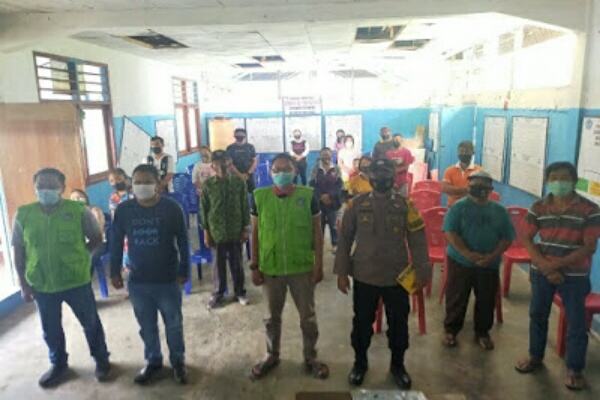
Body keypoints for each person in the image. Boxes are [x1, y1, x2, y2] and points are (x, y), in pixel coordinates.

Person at [334, 158, 431, 389]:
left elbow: (418, 240)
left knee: (399, 326)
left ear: (393, 176)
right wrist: (341, 272)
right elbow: (345, 239)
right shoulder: (356, 205)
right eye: (376, 173)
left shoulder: (406, 205)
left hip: (397, 277)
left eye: (386, 172)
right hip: (364, 275)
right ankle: (360, 364)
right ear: (370, 176)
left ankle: (398, 366)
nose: (381, 177)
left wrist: (422, 271)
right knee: (361, 324)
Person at [12, 168, 111, 388]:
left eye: (51, 186)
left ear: (62, 188)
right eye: (41, 186)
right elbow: (18, 250)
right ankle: (58, 365)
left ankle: (102, 360)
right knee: (51, 329)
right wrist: (23, 283)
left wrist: (82, 255)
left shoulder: (79, 211)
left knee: (90, 323)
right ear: (35, 188)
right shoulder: (23, 215)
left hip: (75, 281)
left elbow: (96, 237)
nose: (46, 190)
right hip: (41, 284)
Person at [515, 162, 600, 391]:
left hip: (575, 275)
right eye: (554, 178)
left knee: (576, 322)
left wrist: (555, 266)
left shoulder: (590, 209)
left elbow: (589, 246)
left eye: (564, 177)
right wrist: (544, 266)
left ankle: (574, 369)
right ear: (547, 181)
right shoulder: (538, 207)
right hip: (542, 271)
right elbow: (526, 238)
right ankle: (535, 357)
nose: (559, 182)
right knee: (537, 315)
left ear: (574, 181)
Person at [249, 153, 329, 380]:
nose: (281, 173)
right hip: (271, 269)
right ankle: (271, 355)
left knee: (308, 318)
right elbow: (254, 233)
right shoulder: (259, 197)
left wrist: (319, 264)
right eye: (277, 169)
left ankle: (311, 357)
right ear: (270, 172)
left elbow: (317, 233)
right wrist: (254, 265)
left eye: (286, 169)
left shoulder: (308, 196)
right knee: (271, 318)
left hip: (301, 268)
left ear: (294, 171)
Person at [110, 164, 191, 385]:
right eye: (137, 182)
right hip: (138, 280)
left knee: (174, 325)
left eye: (147, 182)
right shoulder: (124, 210)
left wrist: (184, 269)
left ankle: (178, 362)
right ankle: (153, 361)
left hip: (168, 279)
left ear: (157, 184)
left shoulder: (171, 208)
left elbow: (183, 240)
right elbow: (116, 241)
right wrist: (114, 271)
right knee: (146, 326)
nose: (141, 186)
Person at [441, 170, 515, 350]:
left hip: (489, 263)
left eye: (483, 185)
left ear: (490, 189)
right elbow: (450, 233)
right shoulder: (458, 208)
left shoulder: (499, 211)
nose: (479, 188)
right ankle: (451, 330)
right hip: (460, 261)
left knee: (486, 299)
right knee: (457, 297)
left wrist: (492, 256)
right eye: (474, 185)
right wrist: (467, 254)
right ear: (468, 186)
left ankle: (482, 332)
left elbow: (507, 238)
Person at [201, 150, 250, 309]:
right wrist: (206, 232)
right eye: (217, 164)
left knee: (237, 263)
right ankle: (218, 294)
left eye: (224, 164)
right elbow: (204, 210)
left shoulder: (239, 183)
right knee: (218, 264)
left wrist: (245, 228)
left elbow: (245, 207)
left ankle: (240, 292)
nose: (221, 168)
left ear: (229, 163)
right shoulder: (208, 185)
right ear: (212, 166)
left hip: (235, 229)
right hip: (216, 231)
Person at [309, 147, 343, 253]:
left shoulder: (336, 169)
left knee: (334, 225)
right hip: (319, 202)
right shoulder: (315, 169)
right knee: (320, 225)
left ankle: (335, 244)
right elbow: (312, 185)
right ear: (320, 156)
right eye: (323, 155)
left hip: (333, 202)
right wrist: (321, 196)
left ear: (331, 155)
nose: (326, 157)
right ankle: (319, 244)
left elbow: (339, 185)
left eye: (328, 154)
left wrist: (330, 196)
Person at [108, 168, 135, 298]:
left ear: (125, 177)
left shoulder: (133, 193)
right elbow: (114, 216)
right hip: (123, 234)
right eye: (112, 181)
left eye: (118, 179)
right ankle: (130, 288)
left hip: (135, 229)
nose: (115, 183)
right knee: (127, 261)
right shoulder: (113, 198)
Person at [69, 189, 107, 279]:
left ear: (85, 198)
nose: (76, 200)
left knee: (89, 257)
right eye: (73, 199)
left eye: (79, 197)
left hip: (98, 243)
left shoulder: (94, 210)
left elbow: (99, 231)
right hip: (81, 244)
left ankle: (86, 278)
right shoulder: (71, 215)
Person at [442, 141, 482, 206]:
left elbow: (478, 191)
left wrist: (455, 193)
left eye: (467, 151)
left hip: (473, 207)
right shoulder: (449, 170)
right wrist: (468, 190)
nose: (464, 153)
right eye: (461, 151)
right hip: (453, 207)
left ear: (473, 153)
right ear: (457, 152)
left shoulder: (480, 171)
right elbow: (445, 188)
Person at [227, 128, 258, 194]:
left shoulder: (250, 147)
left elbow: (254, 161)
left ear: (245, 135)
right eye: (238, 135)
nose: (240, 137)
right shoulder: (230, 148)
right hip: (235, 176)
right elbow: (229, 163)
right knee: (235, 194)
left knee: (253, 194)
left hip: (249, 176)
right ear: (234, 136)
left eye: (241, 135)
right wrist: (239, 175)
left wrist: (248, 173)